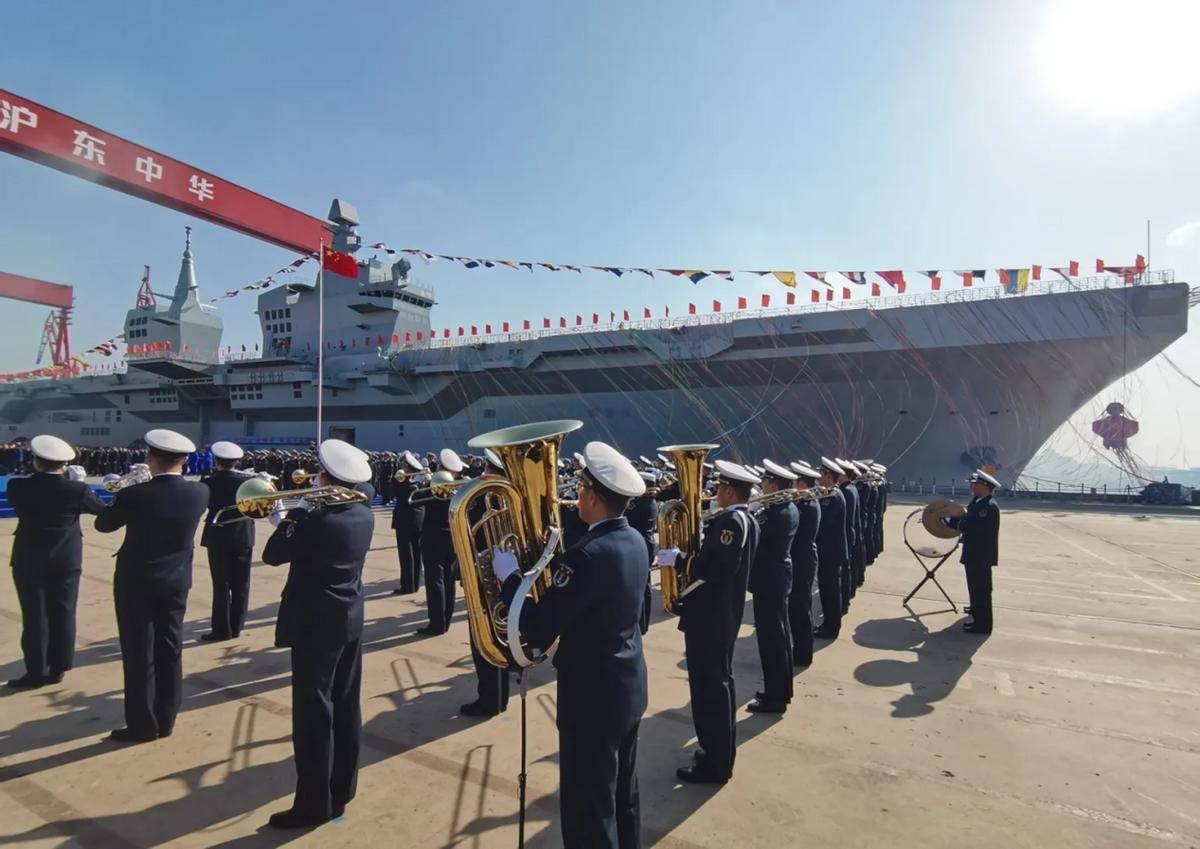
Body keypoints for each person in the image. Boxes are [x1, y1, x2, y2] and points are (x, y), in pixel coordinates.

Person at [491, 441, 649, 848]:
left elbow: (540, 628)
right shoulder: (634, 541)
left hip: (592, 698)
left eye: (580, 490)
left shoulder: (586, 557)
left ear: (593, 496)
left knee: (587, 811)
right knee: (621, 796)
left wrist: (510, 579)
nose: (575, 496)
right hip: (627, 687)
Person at [262, 439, 376, 828]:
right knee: (346, 707)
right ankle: (342, 790)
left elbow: (273, 554)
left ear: (327, 478)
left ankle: (312, 805)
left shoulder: (317, 520)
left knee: (313, 716)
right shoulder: (364, 512)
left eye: (318, 475)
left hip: (315, 624)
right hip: (349, 618)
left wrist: (292, 517)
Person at [95, 429, 209, 743]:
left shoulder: (135, 494)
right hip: (176, 580)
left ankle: (142, 725)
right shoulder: (200, 493)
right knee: (170, 650)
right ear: (185, 460)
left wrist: (126, 489)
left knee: (138, 654)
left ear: (150, 457)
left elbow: (103, 524)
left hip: (137, 582)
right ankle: (167, 718)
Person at [661, 460, 760, 784]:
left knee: (709, 692)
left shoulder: (731, 522)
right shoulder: (746, 519)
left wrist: (679, 559)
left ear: (730, 491)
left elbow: (716, 571)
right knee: (719, 687)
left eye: (718, 488)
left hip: (712, 619)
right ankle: (718, 753)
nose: (715, 493)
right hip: (722, 617)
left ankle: (715, 765)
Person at [6, 435, 105, 688]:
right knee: (63, 612)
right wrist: (80, 485)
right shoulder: (77, 489)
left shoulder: (18, 486)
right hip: (66, 559)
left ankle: (36, 671)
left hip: (28, 557)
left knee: (34, 616)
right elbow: (101, 512)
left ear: (36, 461)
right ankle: (59, 667)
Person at [461, 449, 510, 718]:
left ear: (491, 472)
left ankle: (489, 699)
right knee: (502, 637)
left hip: (485, 578)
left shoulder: (481, 501)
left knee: (484, 641)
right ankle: (500, 697)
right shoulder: (510, 498)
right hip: (507, 575)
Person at [747, 459, 799, 714]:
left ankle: (775, 698)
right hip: (776, 578)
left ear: (773, 485)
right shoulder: (787, 508)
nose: (762, 486)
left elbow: (754, 539)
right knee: (778, 636)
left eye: (766, 483)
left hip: (769, 580)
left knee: (771, 641)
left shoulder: (774, 513)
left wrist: (752, 511)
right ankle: (780, 690)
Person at [199, 441, 254, 642]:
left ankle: (221, 629)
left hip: (218, 536)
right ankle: (237, 626)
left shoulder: (208, 481)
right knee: (242, 583)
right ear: (237, 462)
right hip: (243, 535)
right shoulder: (247, 482)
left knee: (221, 584)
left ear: (216, 461)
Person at [946, 469, 1001, 634]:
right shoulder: (978, 502)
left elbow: (973, 527)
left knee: (981, 589)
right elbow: (969, 519)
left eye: (976, 484)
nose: (973, 487)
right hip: (975, 553)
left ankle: (983, 625)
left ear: (985, 487)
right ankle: (977, 613)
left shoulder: (987, 507)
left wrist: (951, 522)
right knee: (975, 587)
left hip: (980, 555)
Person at [418, 448, 463, 636]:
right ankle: (446, 620)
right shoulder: (458, 488)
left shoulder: (433, 485)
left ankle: (436, 624)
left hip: (432, 538)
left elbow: (415, 500)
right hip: (452, 538)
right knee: (449, 580)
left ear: (439, 466)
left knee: (434, 579)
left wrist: (426, 481)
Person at [787, 462, 822, 667]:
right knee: (800, 608)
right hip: (803, 559)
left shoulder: (805, 506)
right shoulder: (808, 502)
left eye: (794, 482)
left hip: (801, 561)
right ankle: (801, 650)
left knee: (800, 609)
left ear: (801, 483)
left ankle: (802, 654)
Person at [813, 458, 848, 640]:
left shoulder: (833, 497)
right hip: (829, 551)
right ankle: (828, 623)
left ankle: (831, 627)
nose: (819, 477)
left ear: (827, 475)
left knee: (830, 592)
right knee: (828, 591)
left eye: (821, 474)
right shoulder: (831, 494)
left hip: (831, 552)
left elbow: (822, 524)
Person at [390, 450, 425, 596]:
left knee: (406, 555)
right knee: (416, 554)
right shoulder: (419, 484)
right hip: (417, 522)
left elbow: (394, 490)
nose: (402, 467)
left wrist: (398, 476)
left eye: (404, 465)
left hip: (405, 522)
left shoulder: (407, 486)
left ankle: (407, 586)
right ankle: (414, 584)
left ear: (409, 468)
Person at [836, 458, 862, 608]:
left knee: (844, 573)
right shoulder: (851, 488)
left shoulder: (845, 491)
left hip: (844, 536)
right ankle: (846, 597)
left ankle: (844, 601)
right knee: (847, 570)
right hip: (849, 534)